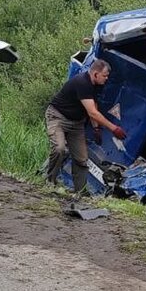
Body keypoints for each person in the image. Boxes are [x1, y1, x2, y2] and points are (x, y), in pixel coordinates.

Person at [44, 58, 126, 192]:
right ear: (95, 74)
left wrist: (96, 128)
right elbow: (93, 113)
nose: (106, 79)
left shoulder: (97, 85)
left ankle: (79, 191)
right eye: (105, 76)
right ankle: (50, 182)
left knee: (82, 159)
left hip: (76, 123)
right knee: (59, 149)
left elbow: (94, 105)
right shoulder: (82, 82)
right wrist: (114, 128)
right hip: (58, 117)